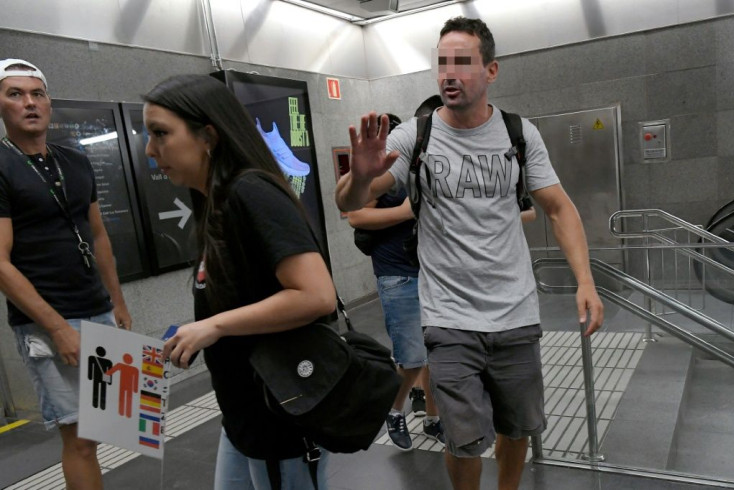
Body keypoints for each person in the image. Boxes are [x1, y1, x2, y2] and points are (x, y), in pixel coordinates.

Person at [335, 17, 604, 490]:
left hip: (516, 314)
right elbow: (349, 204)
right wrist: (360, 176)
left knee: (517, 428)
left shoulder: (519, 135)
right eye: (441, 63)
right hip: (449, 318)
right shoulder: (412, 137)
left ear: (491, 70)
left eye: (462, 62)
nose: (448, 74)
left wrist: (585, 281)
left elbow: (559, 208)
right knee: (462, 441)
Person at [145, 74, 336, 490]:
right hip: (244, 416)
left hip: (281, 418)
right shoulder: (215, 202)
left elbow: (317, 295)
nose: (150, 149)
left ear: (208, 135)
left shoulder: (250, 193)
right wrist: (195, 333)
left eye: (160, 133)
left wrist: (213, 326)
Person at [0, 58, 132, 490]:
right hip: (48, 321)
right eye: (15, 94)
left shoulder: (73, 159)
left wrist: (117, 301)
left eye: (37, 94)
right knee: (80, 439)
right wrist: (57, 328)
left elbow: (98, 235)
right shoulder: (2, 166)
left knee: (112, 427)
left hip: (98, 309)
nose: (29, 103)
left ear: (49, 103)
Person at [347, 112, 445, 452]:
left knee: (433, 354)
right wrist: (404, 212)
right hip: (396, 274)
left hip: (429, 272)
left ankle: (433, 419)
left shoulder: (416, 168)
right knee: (413, 357)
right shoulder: (380, 176)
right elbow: (355, 214)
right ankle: (393, 412)